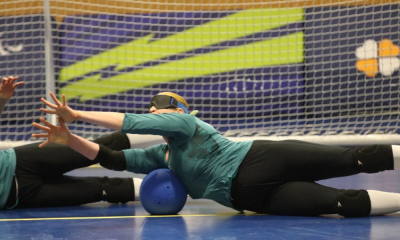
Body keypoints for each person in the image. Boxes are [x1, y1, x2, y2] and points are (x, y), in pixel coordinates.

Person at [33, 90, 400, 218]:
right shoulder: (164, 156)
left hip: (262, 158)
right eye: (154, 107)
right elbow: (111, 158)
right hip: (250, 196)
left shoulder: (187, 125)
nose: (156, 111)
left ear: (179, 110)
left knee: (356, 157)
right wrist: (71, 139)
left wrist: (78, 114)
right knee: (342, 204)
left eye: (162, 106)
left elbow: (133, 123)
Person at [0, 76, 141, 210]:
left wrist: (1, 99)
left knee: (100, 146)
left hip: (19, 162)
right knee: (107, 189)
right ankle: (163, 184)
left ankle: (158, 128)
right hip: (21, 197)